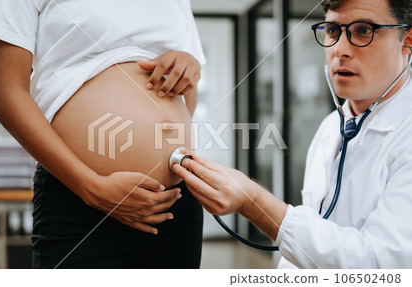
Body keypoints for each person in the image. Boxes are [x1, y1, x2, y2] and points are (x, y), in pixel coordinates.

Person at [173, 0, 412, 268]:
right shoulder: (331, 128)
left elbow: (382, 266)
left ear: (407, 41)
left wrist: (255, 203)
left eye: (363, 31)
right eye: (333, 31)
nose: (340, 50)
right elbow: (306, 246)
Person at [0, 0, 205, 268]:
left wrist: (188, 70)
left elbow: (187, 101)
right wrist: (91, 188)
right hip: (80, 199)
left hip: (174, 203)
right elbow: (5, 94)